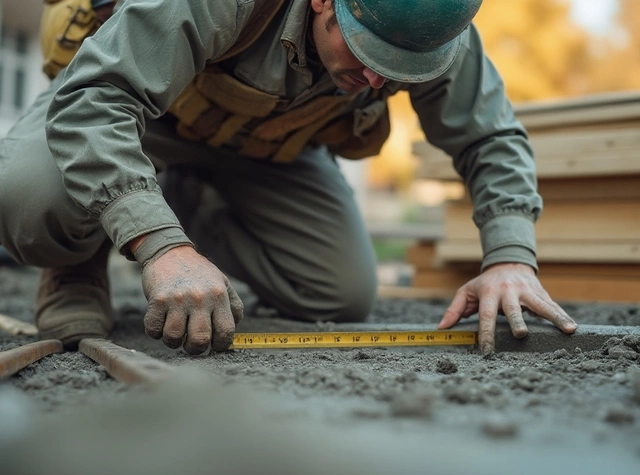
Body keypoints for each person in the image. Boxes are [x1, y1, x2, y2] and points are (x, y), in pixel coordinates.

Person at [0, 0, 577, 355]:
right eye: (365, 54)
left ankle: (180, 198)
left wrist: (509, 258)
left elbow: (491, 137)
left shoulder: (428, 25)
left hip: (262, 152)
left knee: (339, 291)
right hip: (144, 120)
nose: (377, 82)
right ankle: (78, 260)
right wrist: (160, 244)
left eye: (397, 70)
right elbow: (95, 101)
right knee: (27, 200)